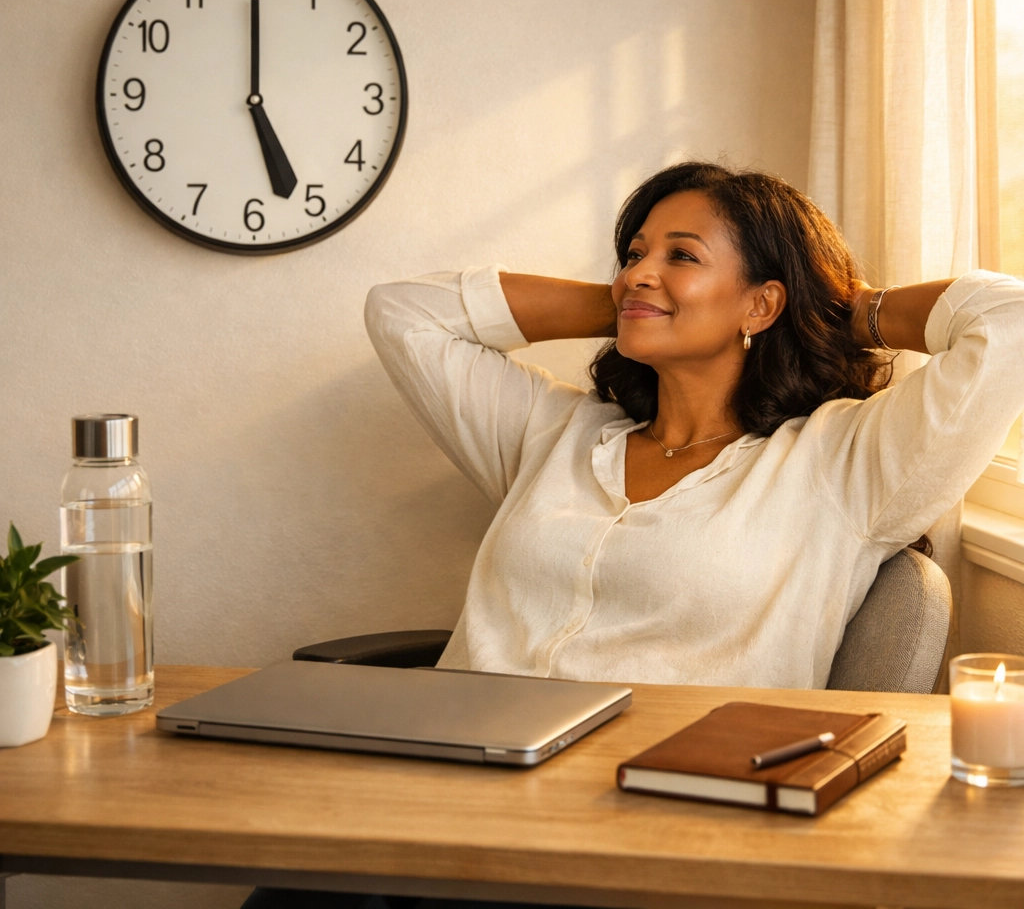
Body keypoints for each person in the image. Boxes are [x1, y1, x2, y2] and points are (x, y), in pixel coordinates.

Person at [242, 161, 1024, 909]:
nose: (637, 270)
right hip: (440, 784)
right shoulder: (554, 434)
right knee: (304, 879)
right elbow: (403, 311)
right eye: (632, 253)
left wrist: (836, 308)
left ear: (761, 305)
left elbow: (1009, 317)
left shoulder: (842, 465)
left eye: (682, 254)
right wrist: (636, 303)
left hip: (649, 827)